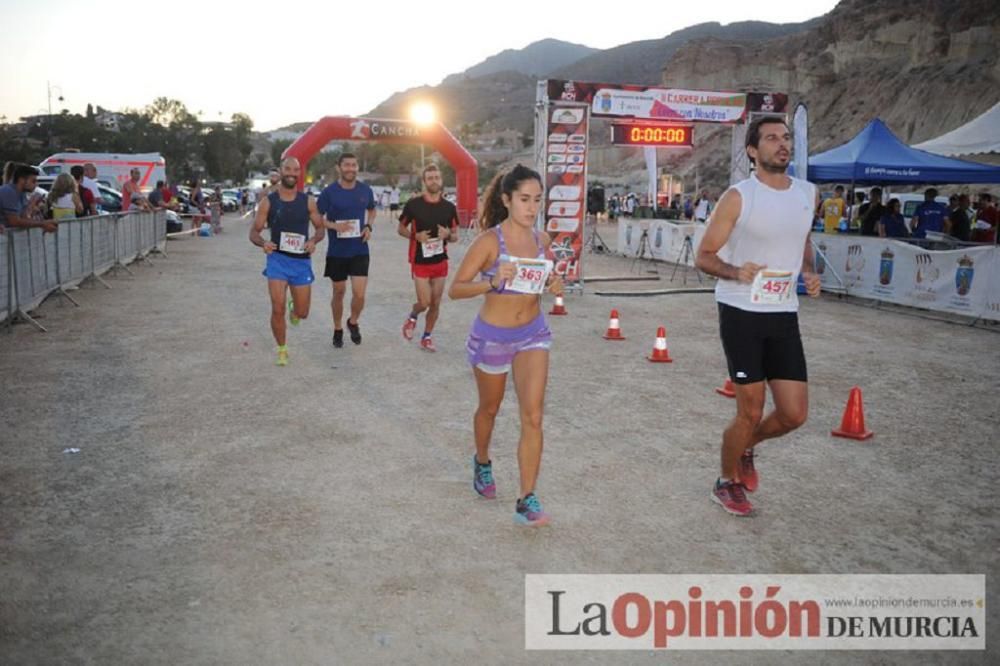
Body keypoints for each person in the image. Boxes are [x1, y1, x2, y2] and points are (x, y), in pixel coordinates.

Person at [694, 116, 821, 517]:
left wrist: (809, 270)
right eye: (771, 139)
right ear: (753, 150)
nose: (781, 144)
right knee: (749, 410)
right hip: (741, 310)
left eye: (785, 138)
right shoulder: (739, 196)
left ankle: (747, 446)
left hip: (783, 312)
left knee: (793, 414)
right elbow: (704, 256)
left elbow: (803, 238)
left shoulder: (807, 192)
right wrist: (736, 271)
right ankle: (725, 481)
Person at [448, 165, 564, 527]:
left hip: (533, 334)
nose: (531, 208)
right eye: (524, 200)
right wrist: (491, 281)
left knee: (533, 416)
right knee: (490, 409)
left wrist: (554, 285)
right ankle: (482, 461)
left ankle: (526, 497)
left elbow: (544, 281)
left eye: (537, 201)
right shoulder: (488, 242)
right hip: (492, 338)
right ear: (506, 199)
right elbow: (456, 289)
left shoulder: (542, 241)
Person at [248, 157, 326, 366]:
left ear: (299, 173)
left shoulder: (308, 201)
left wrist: (313, 240)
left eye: (295, 170)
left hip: (301, 262)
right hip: (278, 260)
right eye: (287, 169)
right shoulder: (269, 202)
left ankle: (296, 309)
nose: (291, 172)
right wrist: (263, 243)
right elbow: (254, 232)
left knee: (303, 313)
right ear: (281, 172)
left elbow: (320, 228)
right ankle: (282, 349)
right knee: (277, 308)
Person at [317, 153, 376, 348]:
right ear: (339, 168)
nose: (350, 168)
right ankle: (337, 328)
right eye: (347, 165)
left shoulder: (365, 190)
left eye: (354, 165)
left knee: (359, 295)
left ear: (357, 167)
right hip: (337, 252)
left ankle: (353, 322)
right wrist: (334, 227)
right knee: (339, 292)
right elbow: (317, 218)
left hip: (359, 249)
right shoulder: (329, 192)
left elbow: (372, 210)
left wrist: (369, 226)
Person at [398, 164, 459, 351]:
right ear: (424, 182)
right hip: (420, 261)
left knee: (436, 302)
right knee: (424, 302)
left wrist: (447, 235)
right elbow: (400, 229)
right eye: (430, 178)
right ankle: (412, 317)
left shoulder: (449, 207)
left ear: (441, 181)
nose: (434, 181)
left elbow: (455, 236)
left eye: (437, 177)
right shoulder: (414, 205)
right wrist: (415, 236)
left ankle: (427, 336)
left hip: (440, 260)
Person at [0, 165, 57, 233]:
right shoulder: (9, 191)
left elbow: (24, 218)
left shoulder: (22, 193)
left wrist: (43, 226)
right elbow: (14, 221)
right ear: (22, 180)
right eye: (33, 181)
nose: (36, 185)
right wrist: (43, 224)